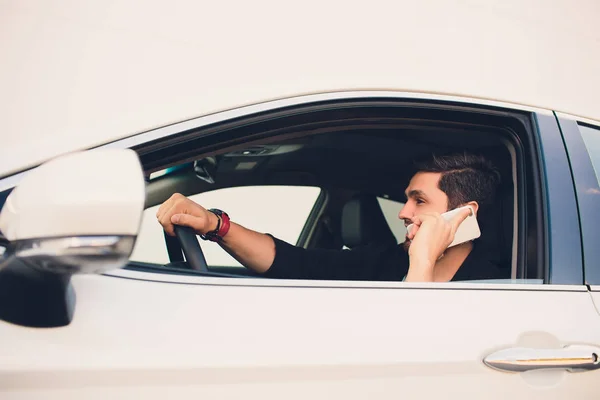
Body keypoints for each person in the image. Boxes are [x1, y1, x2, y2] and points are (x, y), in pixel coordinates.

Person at [156, 153, 504, 282]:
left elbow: (409, 344)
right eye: (405, 199)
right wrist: (216, 225)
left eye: (419, 200)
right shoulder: (386, 262)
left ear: (463, 214)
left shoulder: (495, 284)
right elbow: (296, 263)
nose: (403, 212)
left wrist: (424, 260)